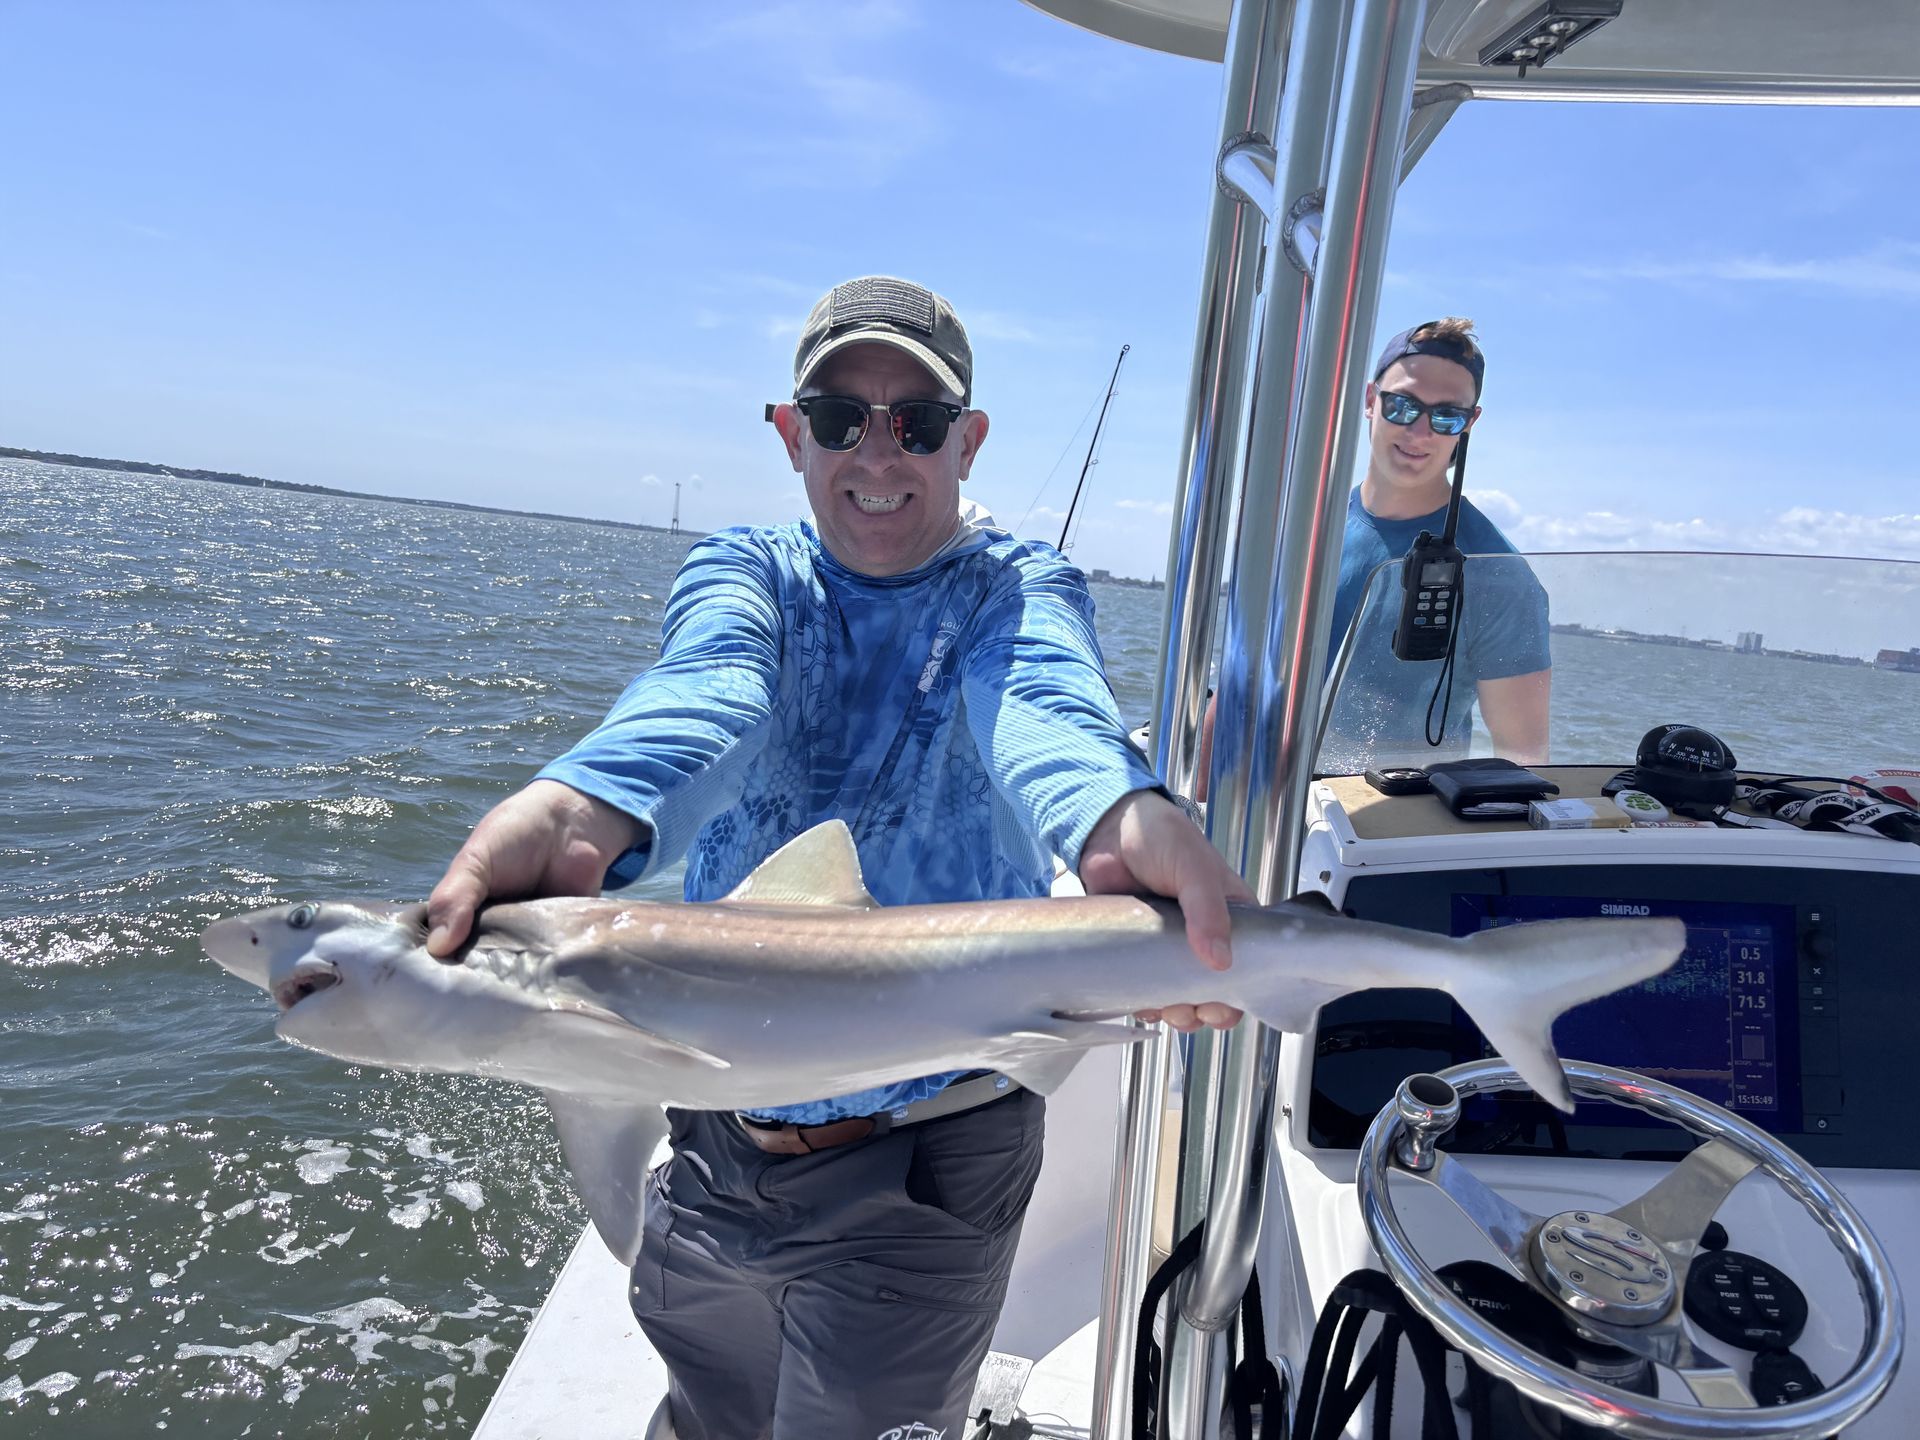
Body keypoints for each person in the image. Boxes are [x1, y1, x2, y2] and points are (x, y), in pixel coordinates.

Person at [425, 275, 1249, 1440]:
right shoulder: (747, 572)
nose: (878, 452)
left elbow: (1044, 710)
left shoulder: (1013, 588)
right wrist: (586, 808)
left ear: (967, 442)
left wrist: (1116, 813)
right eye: (837, 416)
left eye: (916, 422)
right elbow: (709, 695)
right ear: (787, 433)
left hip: (927, 1158)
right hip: (716, 1129)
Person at [1199, 317, 1550, 792]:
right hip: (1263, 813)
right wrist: (1196, 803)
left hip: (1391, 834)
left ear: (1470, 425)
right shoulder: (1300, 529)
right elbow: (1240, 682)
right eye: (1403, 405)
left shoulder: (1499, 574)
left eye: (1446, 416)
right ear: (1371, 400)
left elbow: (1523, 760)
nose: (1420, 432)